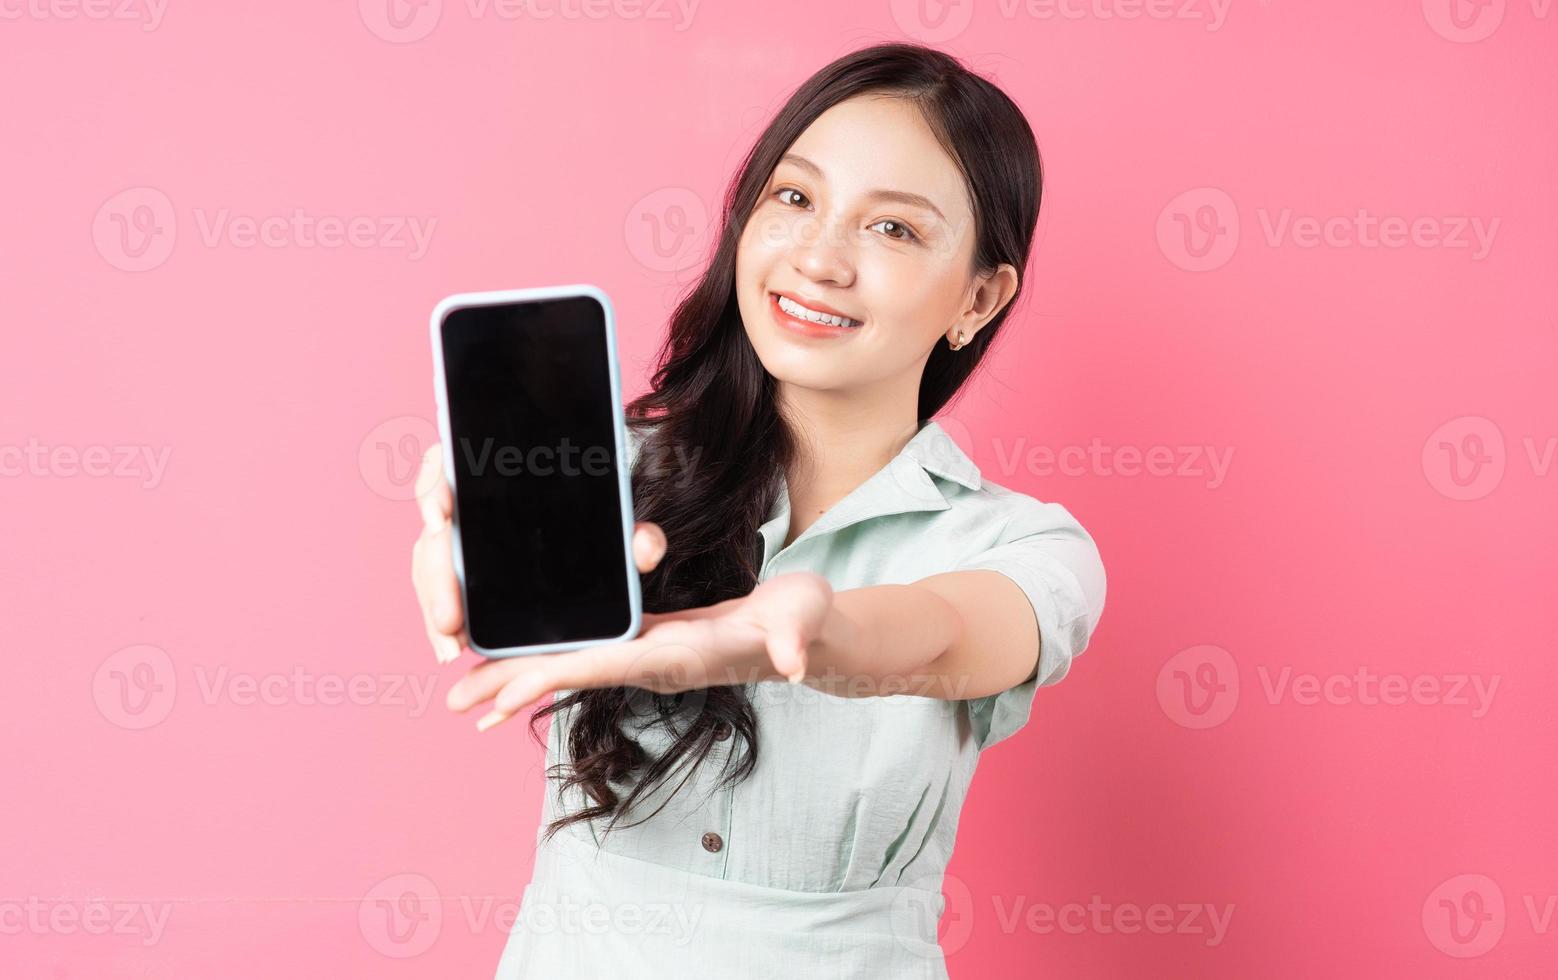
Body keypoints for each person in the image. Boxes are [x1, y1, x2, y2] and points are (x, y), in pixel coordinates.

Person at [410, 41, 1107, 980]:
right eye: (794, 198)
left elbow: (943, 634)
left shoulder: (1027, 546)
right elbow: (473, 560)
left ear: (979, 298)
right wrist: (464, 542)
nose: (818, 258)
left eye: (893, 230)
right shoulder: (606, 474)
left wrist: (812, 627)